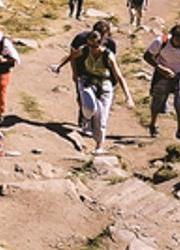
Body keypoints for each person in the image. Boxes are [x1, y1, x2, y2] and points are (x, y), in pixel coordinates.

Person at [53, 24, 133, 155]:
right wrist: (59, 66)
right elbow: (72, 56)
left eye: (94, 46)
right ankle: (86, 119)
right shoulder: (84, 49)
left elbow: (119, 76)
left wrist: (128, 97)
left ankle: (99, 145)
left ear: (101, 42)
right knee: (90, 108)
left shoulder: (108, 55)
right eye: (90, 45)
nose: (92, 48)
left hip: (105, 83)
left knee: (102, 117)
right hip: (87, 80)